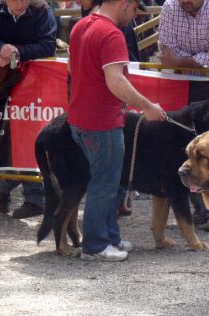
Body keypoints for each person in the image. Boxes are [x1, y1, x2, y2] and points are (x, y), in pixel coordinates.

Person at [68, 0, 166, 261]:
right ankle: (96, 245)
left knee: (108, 182)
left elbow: (72, 69)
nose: (135, 15)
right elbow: (116, 80)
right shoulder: (112, 34)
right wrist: (147, 106)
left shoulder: (80, 25)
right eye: (135, 9)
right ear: (124, 3)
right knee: (105, 184)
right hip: (102, 122)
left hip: (79, 118)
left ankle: (110, 237)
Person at [158, 0, 209, 231]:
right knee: (184, 151)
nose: (185, 2)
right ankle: (198, 208)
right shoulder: (170, 6)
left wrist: (180, 61)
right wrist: (197, 60)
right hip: (180, 86)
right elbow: (166, 49)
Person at [0, 0, 57, 219]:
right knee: (3, 136)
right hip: (1, 83)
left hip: (33, 84)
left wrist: (15, 52)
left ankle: (33, 198)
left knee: (30, 137)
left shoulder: (41, 11)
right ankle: (2, 187)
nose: (20, 2)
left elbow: (48, 45)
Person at [158, 0, 209, 69]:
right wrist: (200, 61)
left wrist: (178, 62)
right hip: (182, 77)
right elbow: (168, 50)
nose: (184, 0)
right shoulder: (170, 7)